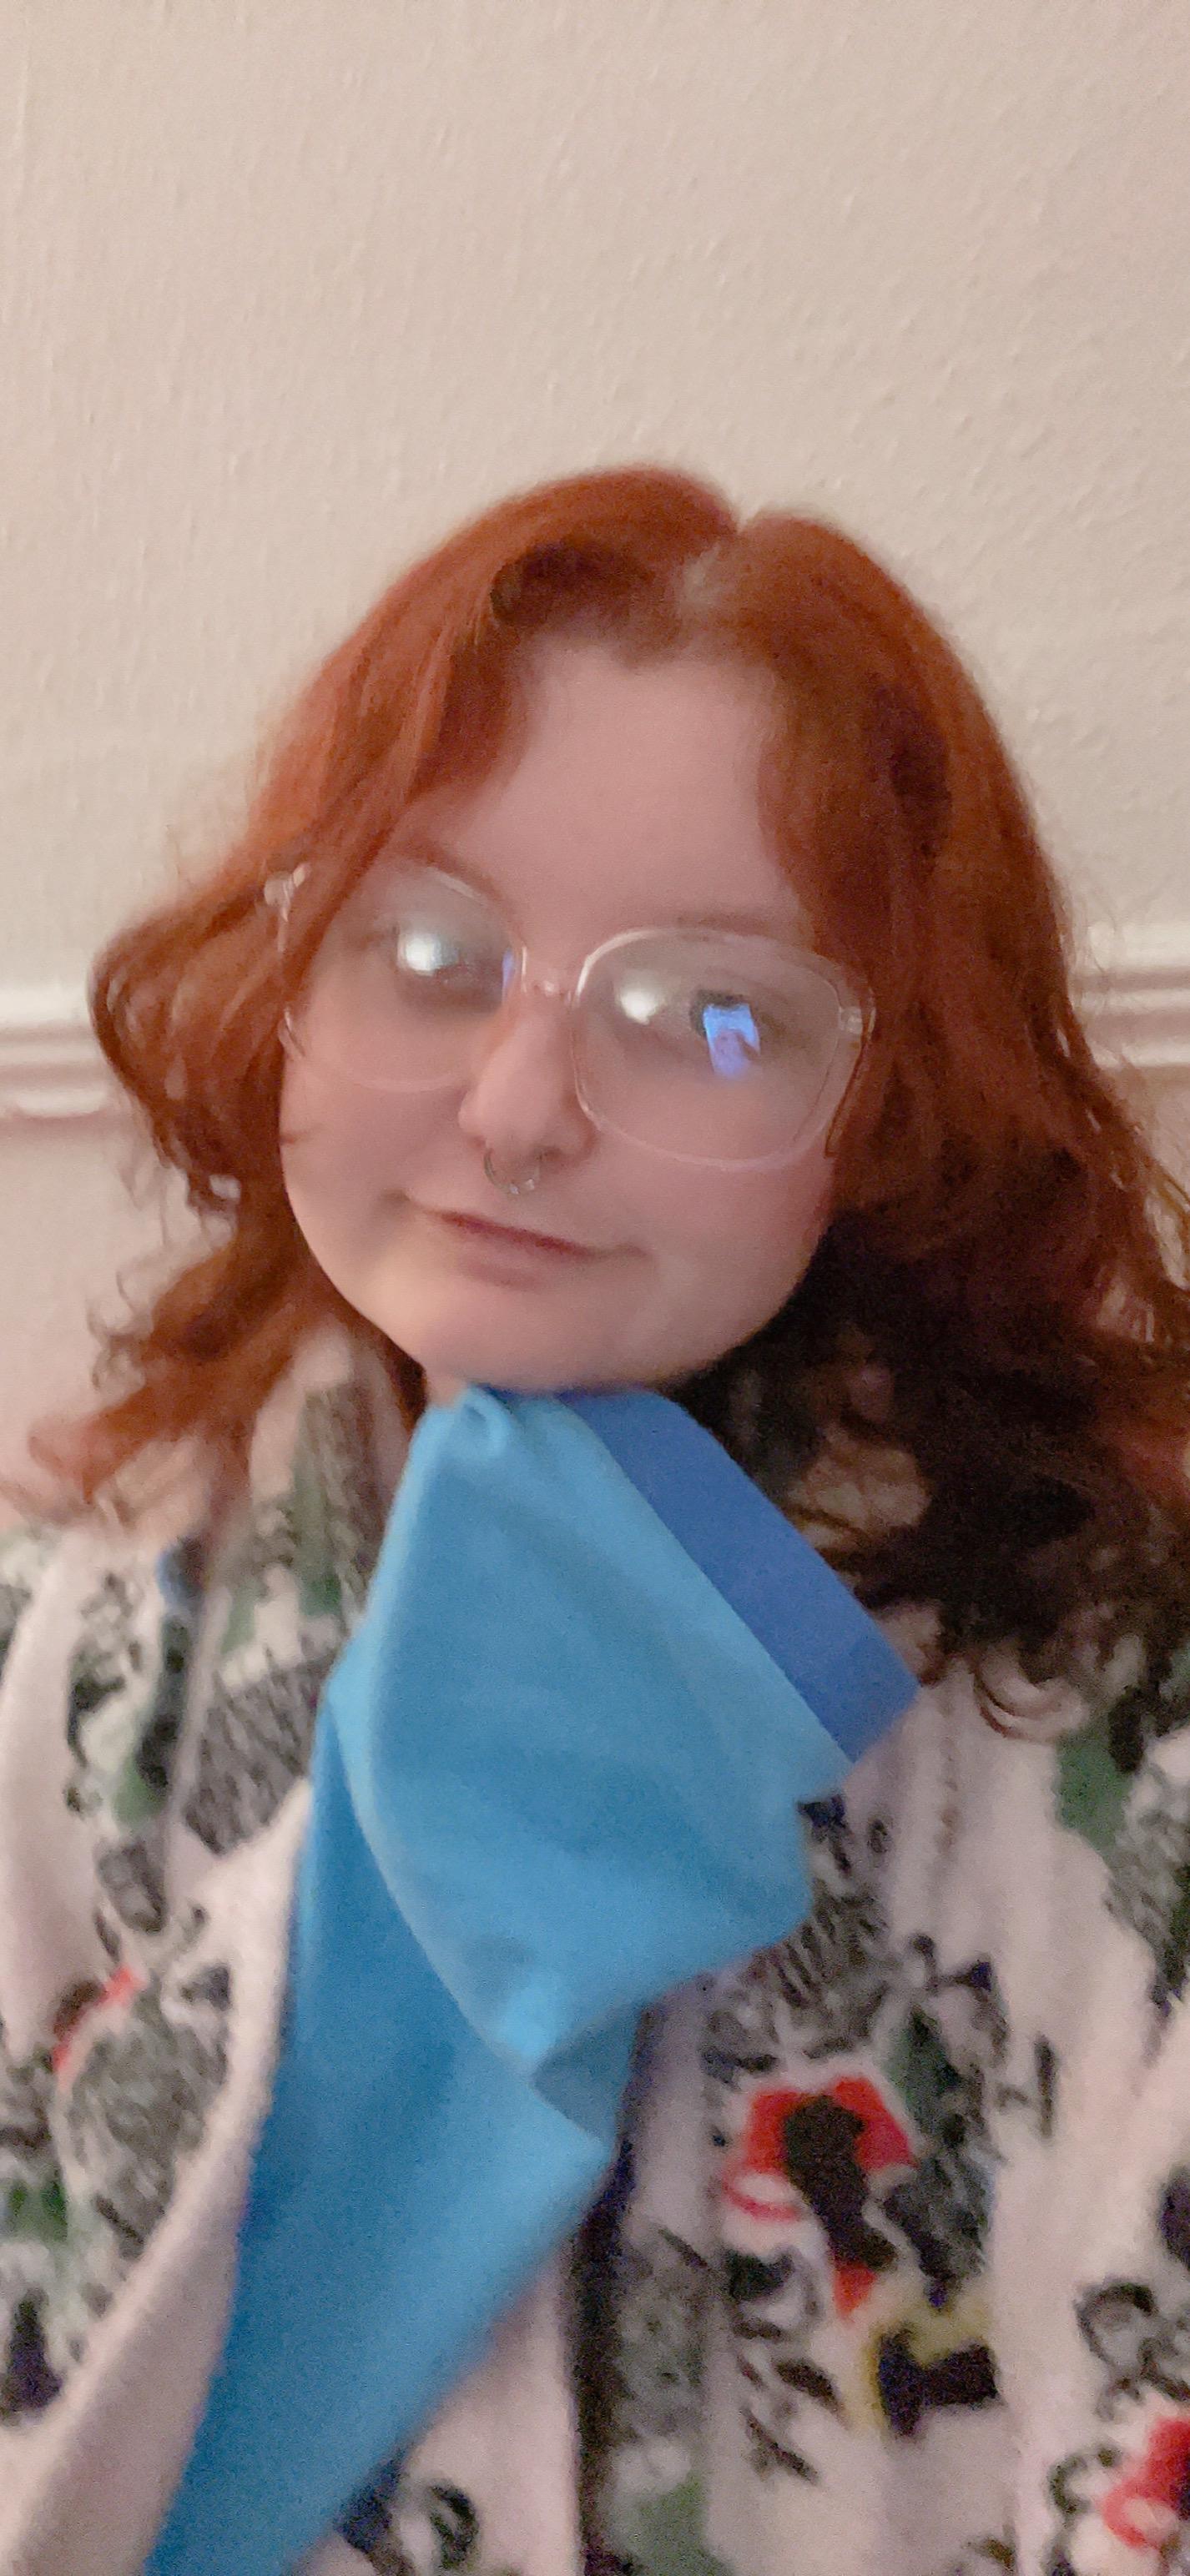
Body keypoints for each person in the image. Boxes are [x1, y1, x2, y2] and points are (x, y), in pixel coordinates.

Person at [2, 462, 1189, 2576]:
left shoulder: (1107, 1713)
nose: (517, 1109)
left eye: (712, 1016)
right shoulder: (59, 1662)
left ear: (890, 1103)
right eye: (425, 952)